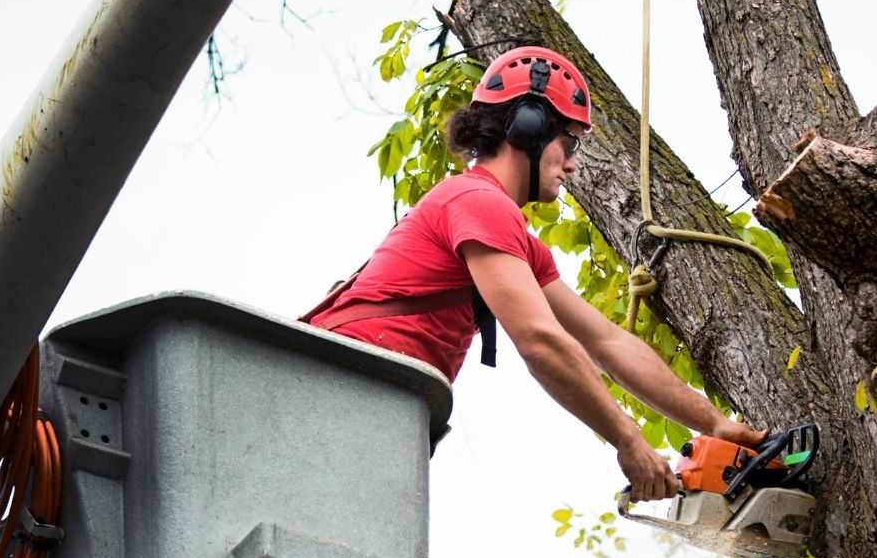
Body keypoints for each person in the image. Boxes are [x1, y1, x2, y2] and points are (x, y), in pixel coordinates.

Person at [305, 45, 765, 501]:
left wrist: (715, 424)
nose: (572, 164)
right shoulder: (478, 202)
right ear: (527, 128)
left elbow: (608, 341)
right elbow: (540, 341)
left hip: (371, 401)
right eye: (568, 144)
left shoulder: (515, 241)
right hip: (335, 389)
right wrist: (628, 440)